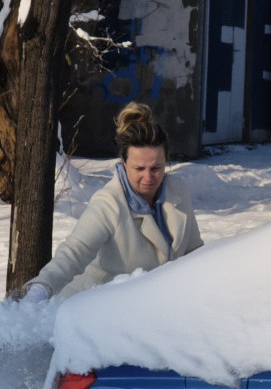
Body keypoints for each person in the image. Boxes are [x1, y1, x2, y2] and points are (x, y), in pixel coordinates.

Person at [18, 102, 203, 301]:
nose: (149, 177)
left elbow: (194, 253)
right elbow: (74, 251)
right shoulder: (109, 203)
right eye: (139, 169)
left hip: (155, 309)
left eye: (156, 168)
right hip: (97, 308)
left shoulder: (178, 192)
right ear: (124, 163)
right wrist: (42, 287)